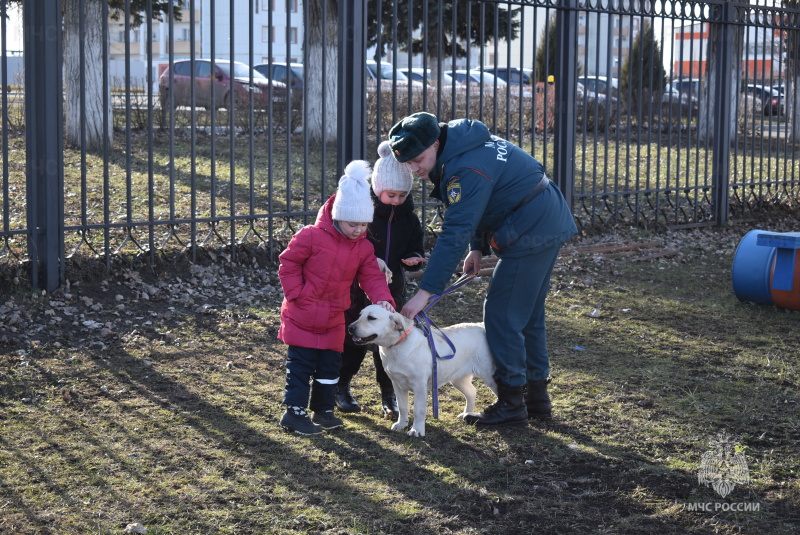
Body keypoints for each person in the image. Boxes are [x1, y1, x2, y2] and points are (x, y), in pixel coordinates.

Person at [389, 112, 577, 427]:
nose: (415, 168)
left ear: (436, 143)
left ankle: (512, 403)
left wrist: (425, 292)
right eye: (407, 163)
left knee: (502, 315)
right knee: (527, 315)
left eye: (418, 159)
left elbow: (454, 231)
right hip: (540, 218)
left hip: (531, 228)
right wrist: (478, 246)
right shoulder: (463, 146)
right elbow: (482, 203)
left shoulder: (465, 168)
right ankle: (537, 400)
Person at [277, 160, 396, 435]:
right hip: (302, 313)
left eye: (363, 225)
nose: (358, 230)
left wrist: (382, 299)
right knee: (301, 366)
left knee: (331, 365)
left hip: (334, 316)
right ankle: (293, 413)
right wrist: (296, 294)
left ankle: (324, 410)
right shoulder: (310, 236)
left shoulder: (363, 248)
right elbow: (288, 264)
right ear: (337, 216)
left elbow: (372, 276)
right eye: (352, 223)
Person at [336, 141, 426, 419]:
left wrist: (413, 256)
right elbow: (349, 242)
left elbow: (415, 243)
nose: (396, 200)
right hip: (356, 287)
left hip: (392, 286)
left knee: (388, 341)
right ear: (376, 187)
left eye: (401, 195)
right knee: (354, 339)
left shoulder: (409, 218)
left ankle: (389, 393)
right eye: (390, 194)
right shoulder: (363, 212)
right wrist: (369, 261)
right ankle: (342, 385)